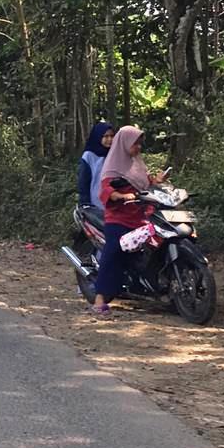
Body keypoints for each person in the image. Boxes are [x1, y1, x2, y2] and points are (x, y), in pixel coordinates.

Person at [89, 126, 164, 317]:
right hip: (119, 219)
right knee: (112, 253)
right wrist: (119, 196)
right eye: (134, 143)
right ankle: (99, 299)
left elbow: (146, 183)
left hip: (141, 216)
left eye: (140, 143)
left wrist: (157, 180)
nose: (138, 147)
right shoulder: (113, 166)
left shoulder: (137, 164)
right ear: (124, 144)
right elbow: (105, 189)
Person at [77, 122, 115, 210]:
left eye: (112, 136)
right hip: (96, 205)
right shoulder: (89, 156)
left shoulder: (114, 154)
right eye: (105, 136)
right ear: (98, 137)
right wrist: (85, 205)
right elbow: (83, 183)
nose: (110, 139)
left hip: (114, 204)